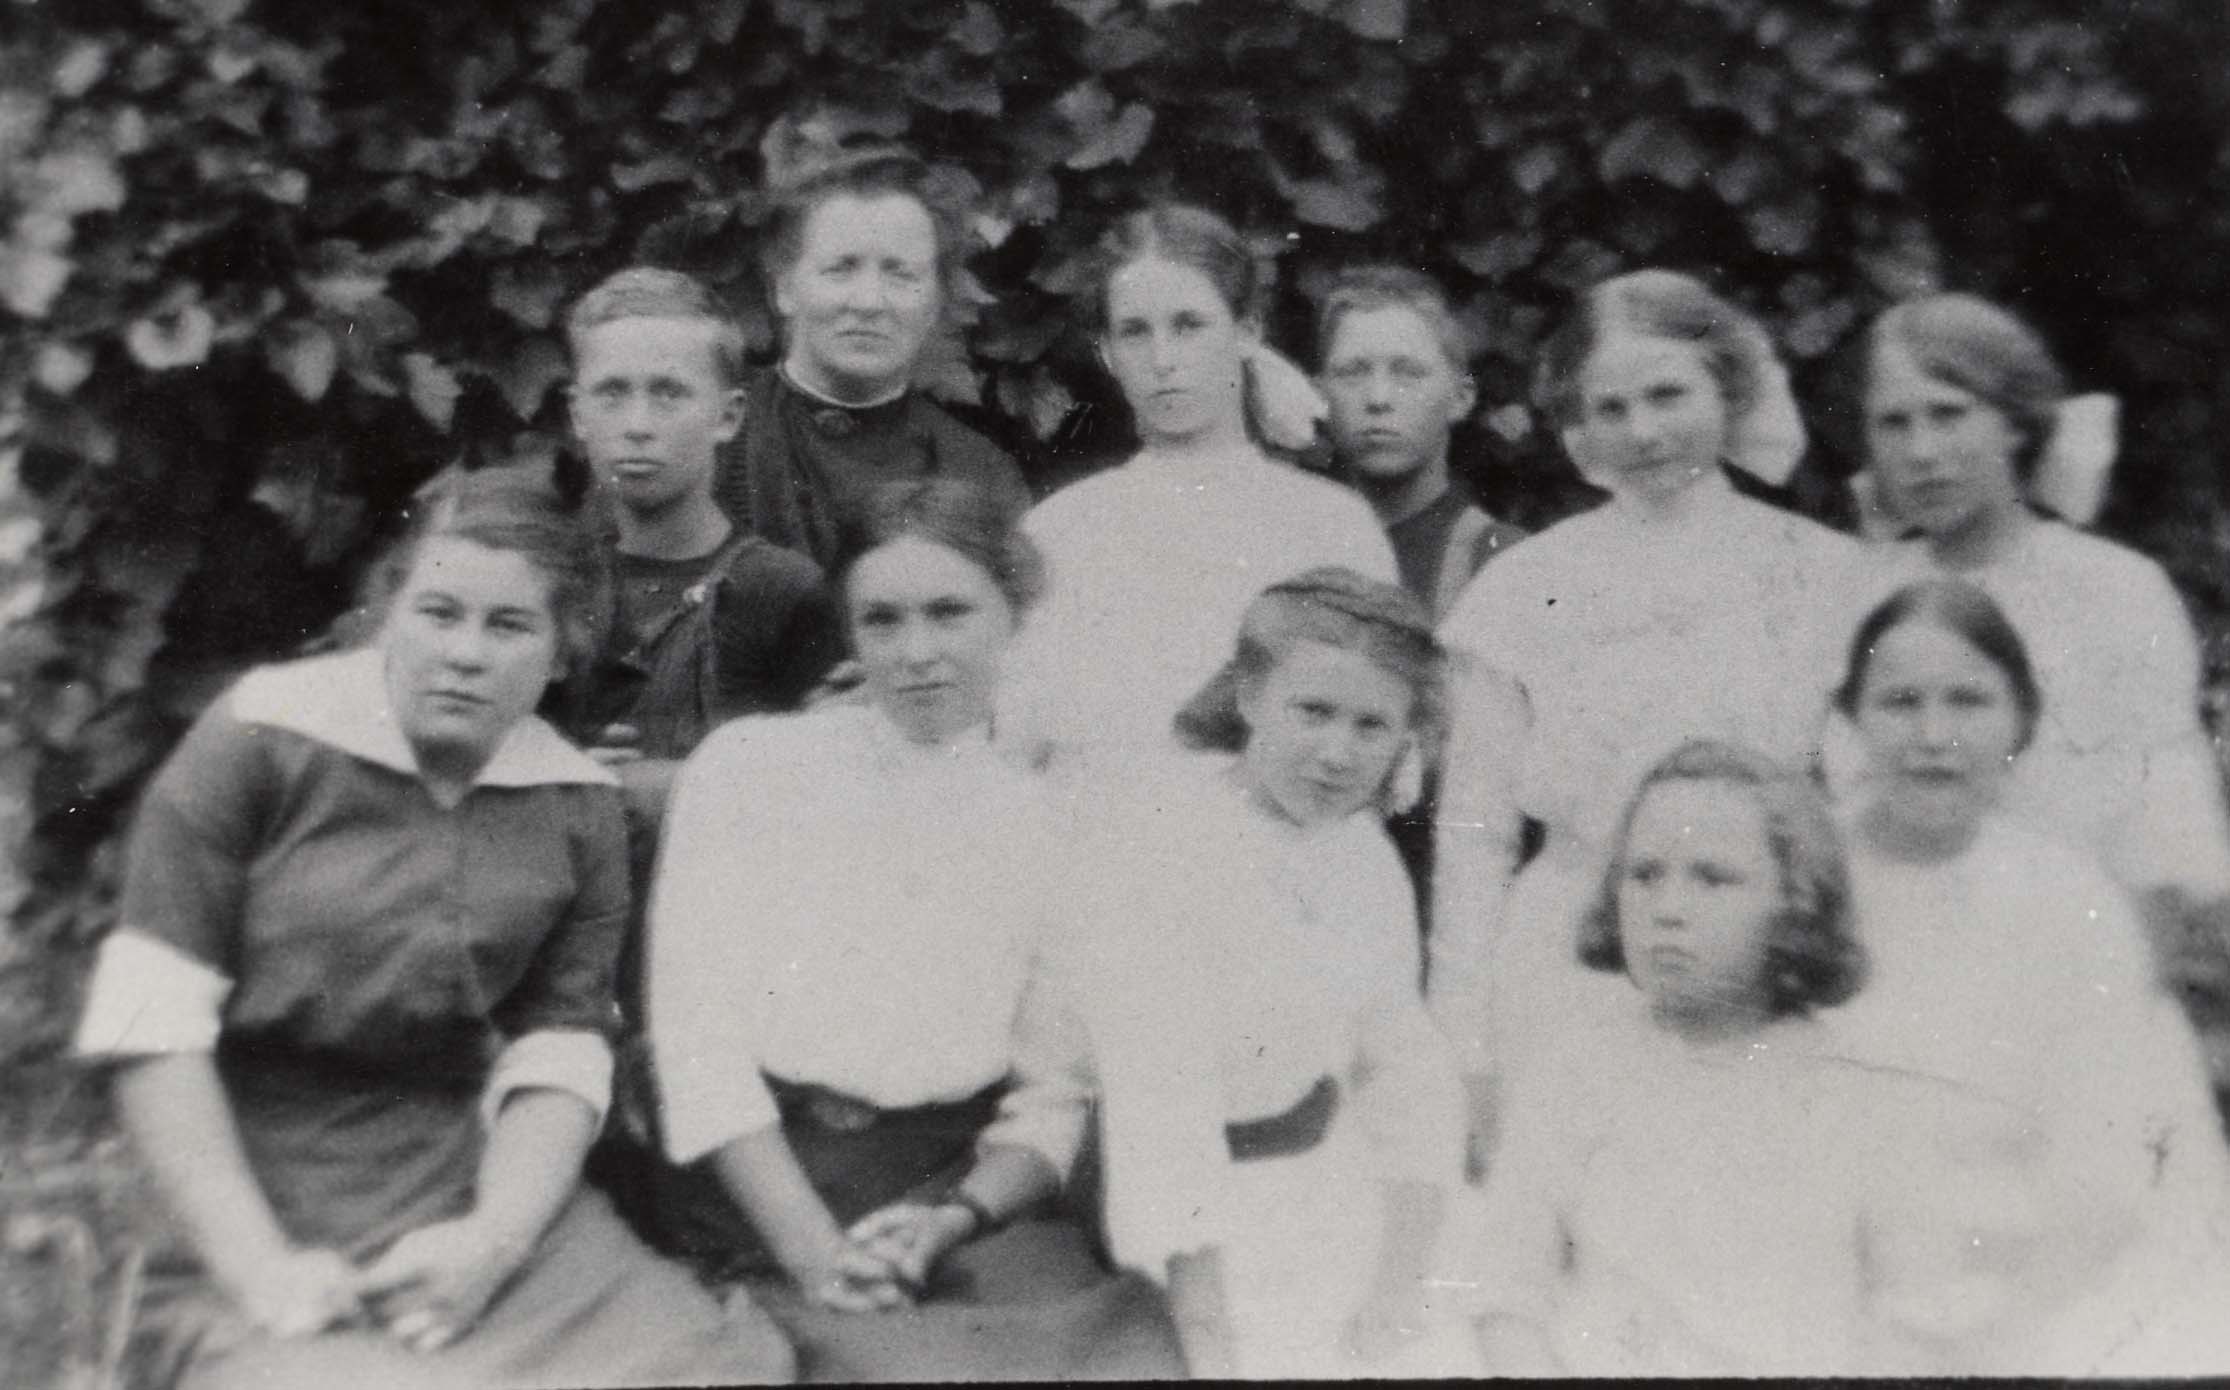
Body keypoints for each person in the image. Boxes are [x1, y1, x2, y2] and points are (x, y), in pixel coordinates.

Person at [72, 471, 790, 1389]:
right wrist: (260, 1267)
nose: (465, 654)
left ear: (563, 652)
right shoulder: (261, 737)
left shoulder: (576, 806)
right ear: (389, 615)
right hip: (241, 1186)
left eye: (509, 626)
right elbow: (151, 1025)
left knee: (713, 1365)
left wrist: (493, 1241)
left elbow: (559, 1052)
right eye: (438, 613)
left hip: (460, 1182)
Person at [643, 477, 1181, 1382]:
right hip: (767, 1196)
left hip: (949, 1195)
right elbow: (697, 1051)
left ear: (1015, 614)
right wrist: (818, 1258)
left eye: (949, 613)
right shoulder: (751, 771)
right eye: (882, 621)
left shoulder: (1051, 817)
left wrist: (953, 1221)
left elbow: (1052, 1094)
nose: (917, 653)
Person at [919, 569, 1473, 1378]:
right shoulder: (1163, 838)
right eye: (1313, 712)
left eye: (1371, 726)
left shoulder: (1362, 853)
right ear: (1250, 696)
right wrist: (1212, 1343)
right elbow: (1160, 1113)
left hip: (1326, 1178)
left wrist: (1400, 1280)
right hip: (1180, 1218)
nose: (1337, 753)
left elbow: (1404, 1070)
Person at [1431, 268, 1866, 1158]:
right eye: (1612, 408)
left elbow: (1857, 813)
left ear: (1727, 390)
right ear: (1578, 426)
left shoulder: (1822, 573)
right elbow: (1474, 837)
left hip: (1759, 956)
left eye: (1669, 395)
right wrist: (1463, 1046)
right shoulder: (1525, 587)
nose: (1643, 432)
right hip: (1566, 961)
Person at [1826, 578, 2230, 1375]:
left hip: (2021, 1278)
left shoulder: (2068, 899)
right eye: (1900, 702)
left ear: (2021, 721)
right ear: (1852, 719)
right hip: (1829, 1272)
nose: (1933, 734)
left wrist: (2004, 1316)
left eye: (1969, 701)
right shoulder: (1805, 874)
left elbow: (2112, 1162)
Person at [1845, 293, 2230, 1059]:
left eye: (1949, 414)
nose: (1922, 450)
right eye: (1894, 423)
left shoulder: (2113, 588)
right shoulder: (1859, 591)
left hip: (2078, 961)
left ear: (2016, 422)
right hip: (1897, 953)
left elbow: (2165, 812)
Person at [1470, 740, 1903, 1375]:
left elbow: (1903, 1315)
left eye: (1713, 878)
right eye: (1644, 875)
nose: (1668, 910)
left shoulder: (1852, 1086)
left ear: (1796, 901)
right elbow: (1506, 1287)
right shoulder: (1579, 1068)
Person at [999, 203, 1398, 778]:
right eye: (1135, 332)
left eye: (1189, 326)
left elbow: (1374, 731)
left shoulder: (1332, 525)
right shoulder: (1059, 528)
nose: (1163, 360)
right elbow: (1016, 742)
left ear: (1246, 332)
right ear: (1107, 353)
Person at [562, 267, 843, 799]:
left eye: (669, 393)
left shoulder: (782, 590)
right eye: (612, 393)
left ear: (729, 416)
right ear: (578, 414)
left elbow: (824, 784)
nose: (638, 425)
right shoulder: (552, 583)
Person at [715, 146, 1031, 569]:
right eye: (840, 269)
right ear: (784, 289)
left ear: (936, 301)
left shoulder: (983, 473)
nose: (869, 302)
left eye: (901, 274)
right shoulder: (711, 438)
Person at [1316, 264, 1525, 621]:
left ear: (1460, 398)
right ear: (1320, 394)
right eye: (1353, 372)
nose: (1378, 398)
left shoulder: (1505, 561)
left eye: (1408, 373)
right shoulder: (1285, 549)